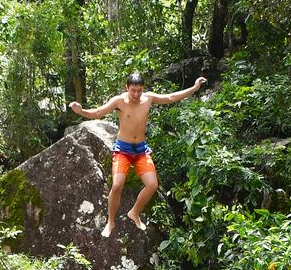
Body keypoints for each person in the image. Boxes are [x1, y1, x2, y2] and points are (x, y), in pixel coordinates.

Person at [69, 71, 207, 237]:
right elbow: (98, 113)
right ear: (127, 87)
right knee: (118, 184)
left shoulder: (148, 98)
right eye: (133, 90)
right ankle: (110, 221)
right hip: (123, 149)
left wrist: (194, 87)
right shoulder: (119, 101)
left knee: (152, 185)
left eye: (139, 90)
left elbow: (170, 97)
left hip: (141, 150)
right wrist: (81, 111)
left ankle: (134, 212)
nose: (136, 94)